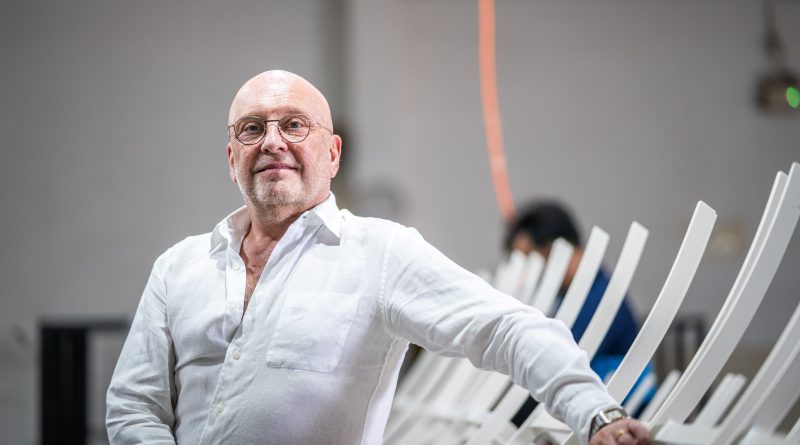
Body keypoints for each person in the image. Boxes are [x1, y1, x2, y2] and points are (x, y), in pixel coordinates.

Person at [106, 70, 650, 445]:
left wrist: (596, 412)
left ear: (332, 153)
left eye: (294, 125)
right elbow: (134, 404)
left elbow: (504, 328)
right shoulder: (177, 268)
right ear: (232, 159)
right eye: (252, 128)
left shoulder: (379, 254)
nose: (272, 141)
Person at [504, 202, 654, 426]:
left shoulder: (599, 299)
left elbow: (554, 366)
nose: (527, 273)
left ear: (554, 250)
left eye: (530, 259)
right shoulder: (571, 296)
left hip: (619, 412)